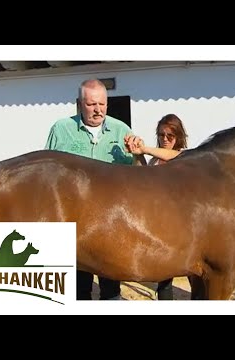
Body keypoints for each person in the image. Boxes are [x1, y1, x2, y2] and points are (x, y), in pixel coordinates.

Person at [45, 78, 144, 300]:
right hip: (73, 227)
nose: (98, 110)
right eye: (91, 105)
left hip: (111, 227)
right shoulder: (61, 130)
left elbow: (139, 176)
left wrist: (138, 154)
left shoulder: (122, 131)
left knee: (111, 290)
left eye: (102, 104)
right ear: (80, 103)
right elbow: (46, 174)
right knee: (78, 291)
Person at [124, 113, 188, 300]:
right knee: (164, 279)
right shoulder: (154, 160)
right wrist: (138, 156)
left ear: (178, 137)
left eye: (170, 136)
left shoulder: (184, 157)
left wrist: (144, 148)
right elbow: (142, 176)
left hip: (181, 225)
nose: (165, 139)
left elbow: (173, 156)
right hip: (159, 223)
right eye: (161, 135)